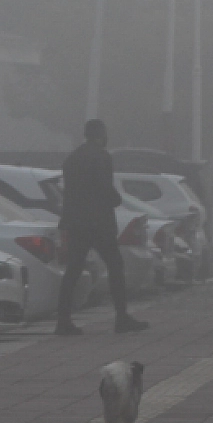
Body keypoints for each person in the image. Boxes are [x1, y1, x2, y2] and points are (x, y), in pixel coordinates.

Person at [54, 118, 149, 335]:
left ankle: (63, 320)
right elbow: (104, 188)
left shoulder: (72, 159)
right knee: (115, 266)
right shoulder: (101, 157)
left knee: (73, 271)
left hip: (76, 222)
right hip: (98, 223)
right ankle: (121, 317)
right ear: (101, 135)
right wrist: (115, 199)